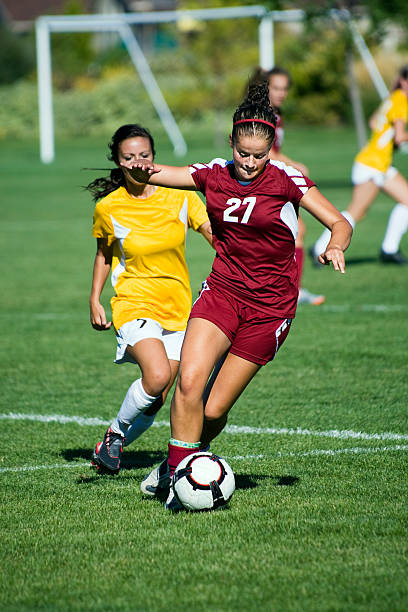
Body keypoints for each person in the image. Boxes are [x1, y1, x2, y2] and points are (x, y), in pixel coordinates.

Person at [123, 83, 353, 510]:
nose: (249, 164)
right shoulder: (213, 172)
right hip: (223, 292)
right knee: (188, 383)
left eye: (258, 156)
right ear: (231, 143)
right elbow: (158, 173)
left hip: (270, 309)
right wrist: (136, 164)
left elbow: (340, 222)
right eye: (242, 153)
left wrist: (335, 244)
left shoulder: (288, 179)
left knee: (211, 411)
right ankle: (177, 476)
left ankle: (185, 458)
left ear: (271, 151)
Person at [86, 124, 213, 474]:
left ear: (154, 158)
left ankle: (113, 448)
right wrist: (95, 299)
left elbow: (212, 233)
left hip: (177, 307)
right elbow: (103, 254)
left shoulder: (180, 195)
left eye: (144, 155)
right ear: (118, 161)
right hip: (133, 301)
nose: (138, 162)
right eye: (129, 157)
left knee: (157, 398)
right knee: (156, 376)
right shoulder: (109, 207)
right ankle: (114, 435)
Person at [312, 65, 408, 265]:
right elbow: (399, 137)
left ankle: (389, 250)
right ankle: (320, 249)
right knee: (357, 211)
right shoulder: (401, 101)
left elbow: (374, 122)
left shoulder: (393, 98)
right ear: (404, 82)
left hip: (379, 163)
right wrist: (393, 140)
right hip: (372, 164)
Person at [249, 66, 325, 305]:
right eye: (276, 88)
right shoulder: (260, 113)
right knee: (286, 232)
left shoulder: (276, 114)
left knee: (292, 231)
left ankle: (288, 289)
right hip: (256, 182)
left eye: (284, 89)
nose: (281, 93)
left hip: (269, 180)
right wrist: (295, 165)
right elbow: (265, 152)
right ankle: (286, 290)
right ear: (265, 88)